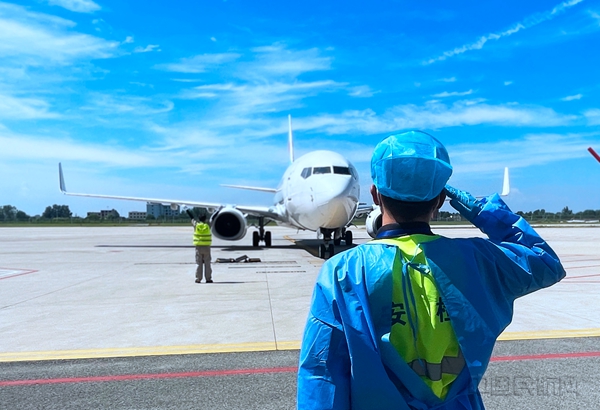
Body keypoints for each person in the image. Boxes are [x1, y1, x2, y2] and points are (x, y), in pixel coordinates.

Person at [297, 130, 565, 409]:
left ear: (375, 195)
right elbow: (543, 260)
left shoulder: (343, 271)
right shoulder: (478, 260)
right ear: (439, 200)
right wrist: (481, 210)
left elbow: (321, 374)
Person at [192, 214, 213, 283]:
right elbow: (211, 220)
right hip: (206, 247)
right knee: (207, 263)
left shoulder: (196, 225)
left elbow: (193, 221)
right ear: (205, 219)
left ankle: (198, 278)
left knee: (198, 263)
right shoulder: (208, 226)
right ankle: (208, 278)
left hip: (198, 247)